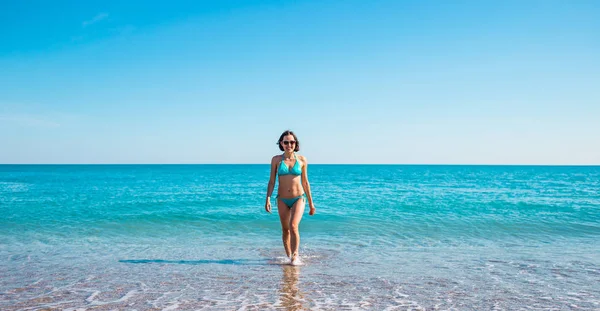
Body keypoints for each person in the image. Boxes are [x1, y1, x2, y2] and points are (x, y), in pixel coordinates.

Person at [265, 130, 316, 265]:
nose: (289, 144)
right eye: (286, 142)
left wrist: (311, 204)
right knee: (285, 230)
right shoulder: (276, 160)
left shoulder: (302, 160)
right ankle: (289, 258)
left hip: (298, 198)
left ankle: (295, 256)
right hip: (282, 199)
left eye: (292, 142)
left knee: (293, 226)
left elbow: (305, 182)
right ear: (281, 144)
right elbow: (271, 181)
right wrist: (268, 199)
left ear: (295, 144)